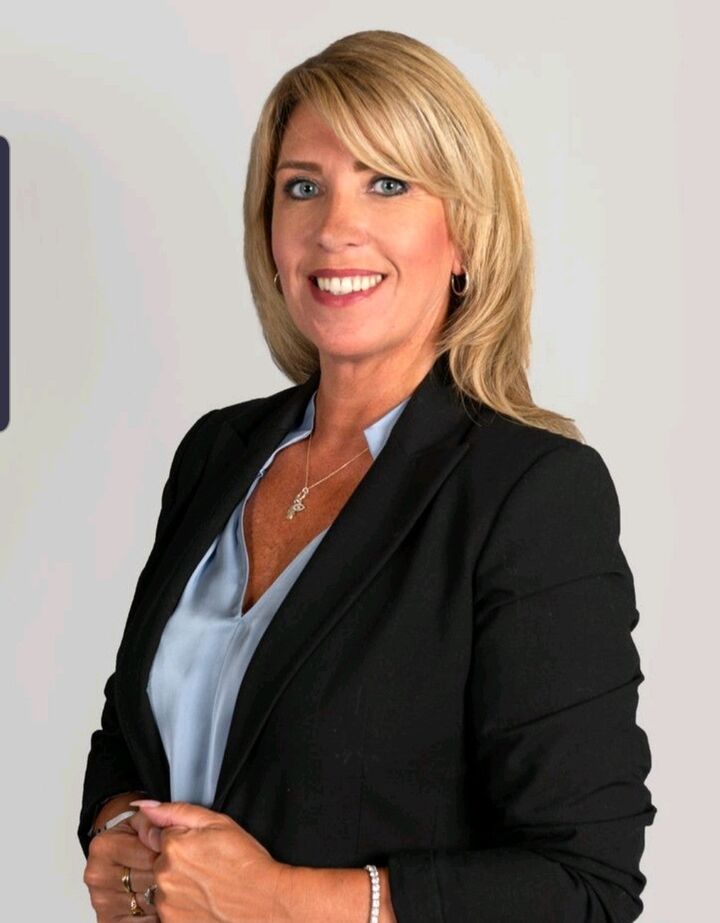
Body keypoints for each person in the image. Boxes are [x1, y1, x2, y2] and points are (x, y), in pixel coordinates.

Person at [79, 29, 656, 923]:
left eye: (387, 183)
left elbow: (586, 888)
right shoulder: (217, 453)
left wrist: (280, 900)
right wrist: (117, 828)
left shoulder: (531, 494)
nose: (333, 227)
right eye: (301, 186)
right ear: (270, 234)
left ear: (464, 236)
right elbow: (133, 727)